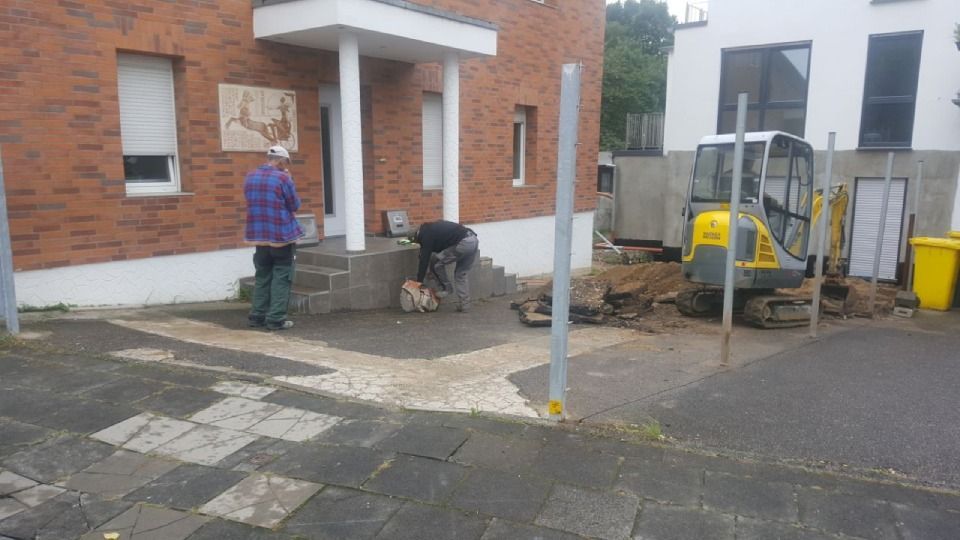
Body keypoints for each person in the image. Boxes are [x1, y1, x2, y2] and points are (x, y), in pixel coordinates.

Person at [244, 145, 303, 330]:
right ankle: (276, 318)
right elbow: (294, 205)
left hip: (258, 235)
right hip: (281, 235)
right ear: (281, 160)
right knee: (282, 276)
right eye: (286, 162)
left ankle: (257, 316)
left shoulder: (250, 176)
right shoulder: (283, 178)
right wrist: (289, 178)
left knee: (262, 275)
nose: (286, 166)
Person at [412, 220, 479, 312]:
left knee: (435, 262)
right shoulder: (432, 228)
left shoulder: (426, 235)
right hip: (473, 240)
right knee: (460, 275)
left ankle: (446, 289)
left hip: (463, 243)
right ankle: (465, 305)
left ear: (417, 236)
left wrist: (419, 282)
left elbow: (424, 260)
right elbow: (444, 246)